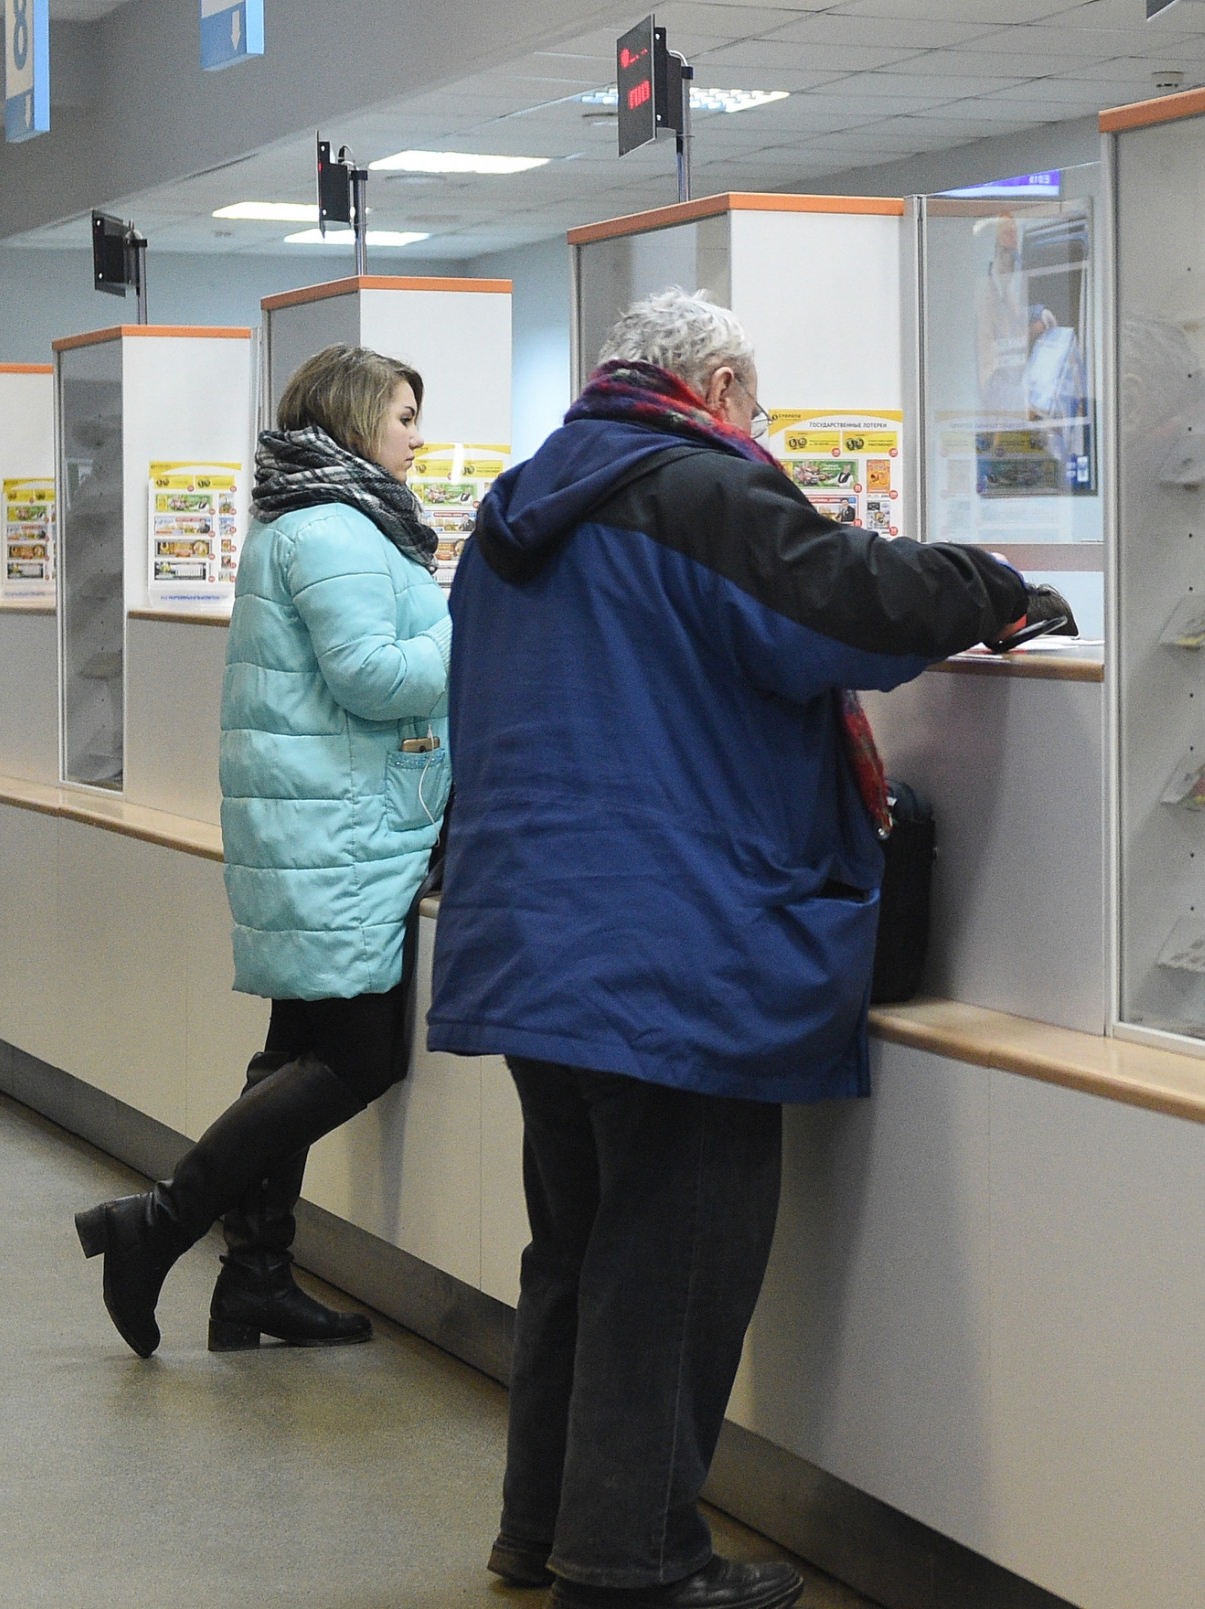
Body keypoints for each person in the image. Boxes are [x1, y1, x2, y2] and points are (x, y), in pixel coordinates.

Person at [430, 290, 1064, 1609]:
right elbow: (849, 604)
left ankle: (542, 1529)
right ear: (718, 386)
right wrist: (991, 587)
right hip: (674, 945)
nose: (757, 426)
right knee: (673, 1259)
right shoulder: (697, 492)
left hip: (532, 934)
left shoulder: (515, 511)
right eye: (756, 404)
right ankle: (631, 1561)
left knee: (578, 1247)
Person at [74, 343, 453, 1357]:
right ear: (354, 417)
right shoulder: (335, 527)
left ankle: (255, 1276)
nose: (419, 437)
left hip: (322, 825)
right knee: (358, 1057)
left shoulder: (312, 518)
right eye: (405, 416)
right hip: (341, 832)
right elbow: (373, 675)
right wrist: (470, 626)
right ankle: (157, 1224)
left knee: (293, 1053)